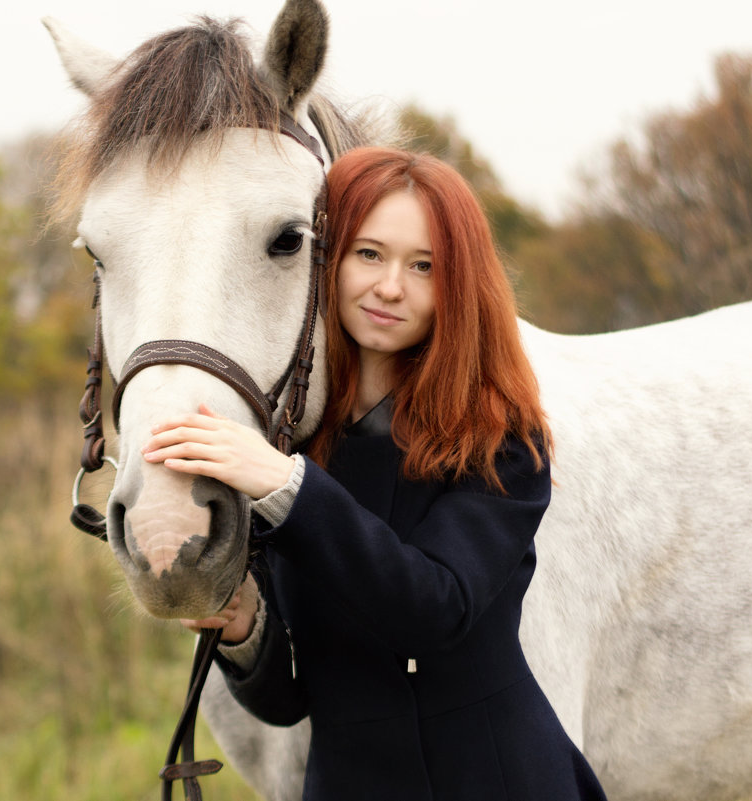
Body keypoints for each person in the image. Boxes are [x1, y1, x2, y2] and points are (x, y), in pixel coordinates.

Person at [141, 147, 607, 801]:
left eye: (424, 266)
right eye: (369, 254)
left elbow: (433, 607)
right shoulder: (298, 445)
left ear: (458, 285)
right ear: (327, 260)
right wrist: (247, 628)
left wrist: (288, 487)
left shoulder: (500, 439)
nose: (391, 286)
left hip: (498, 780)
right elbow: (292, 700)